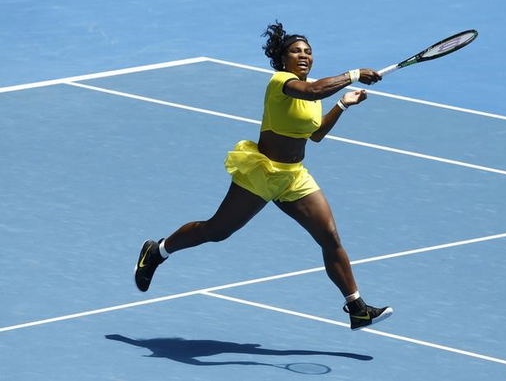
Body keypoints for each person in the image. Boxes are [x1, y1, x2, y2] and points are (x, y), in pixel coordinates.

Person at [135, 21, 393, 330]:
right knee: (216, 231)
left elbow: (316, 134)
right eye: (296, 51)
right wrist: (353, 74)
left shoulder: (316, 91)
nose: (303, 56)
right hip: (262, 173)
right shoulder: (281, 82)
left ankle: (357, 307)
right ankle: (158, 250)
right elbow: (311, 91)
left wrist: (341, 104)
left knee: (330, 237)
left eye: (308, 52)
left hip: (294, 177)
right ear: (283, 58)